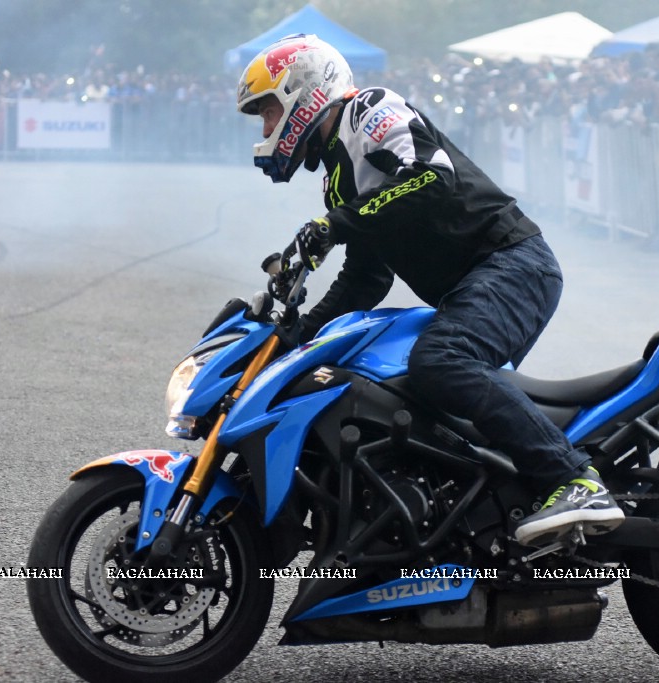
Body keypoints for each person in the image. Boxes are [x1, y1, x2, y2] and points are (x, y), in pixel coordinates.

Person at [235, 34, 624, 546]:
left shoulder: (368, 110)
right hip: (480, 282)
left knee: (441, 361)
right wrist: (304, 334)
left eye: (267, 112)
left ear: (302, 92)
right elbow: (366, 277)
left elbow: (432, 177)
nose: (266, 128)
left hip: (512, 263)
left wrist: (335, 225)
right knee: (407, 394)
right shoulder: (338, 181)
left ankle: (573, 479)